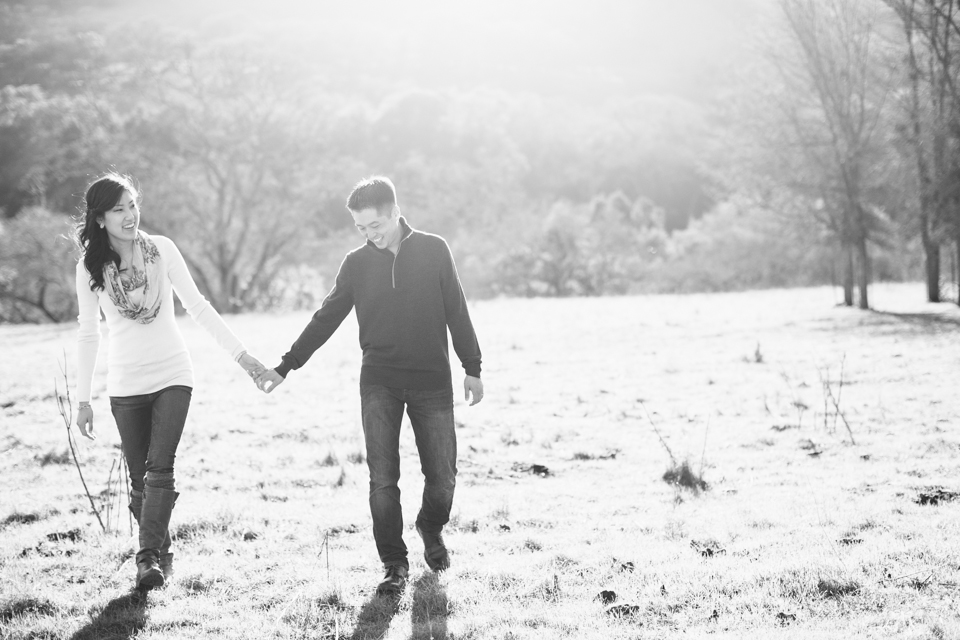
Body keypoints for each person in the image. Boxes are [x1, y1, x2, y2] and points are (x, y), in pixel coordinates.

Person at [255, 176, 483, 596]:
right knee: (383, 479)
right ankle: (394, 564)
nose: (369, 235)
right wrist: (286, 365)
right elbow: (326, 317)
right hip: (379, 380)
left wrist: (472, 365)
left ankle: (430, 528)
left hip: (432, 380)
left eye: (375, 225)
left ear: (395, 211)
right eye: (360, 229)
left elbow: (457, 307)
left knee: (443, 477)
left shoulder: (434, 250)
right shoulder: (356, 263)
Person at [73, 173, 266, 591]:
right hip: (125, 384)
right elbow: (88, 334)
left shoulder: (161, 250)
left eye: (132, 205)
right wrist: (82, 400)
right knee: (138, 479)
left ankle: (146, 560)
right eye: (118, 209)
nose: (130, 215)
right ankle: (161, 548)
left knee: (160, 469)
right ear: (100, 218)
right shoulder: (89, 269)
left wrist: (244, 357)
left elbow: (197, 306)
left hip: (173, 374)